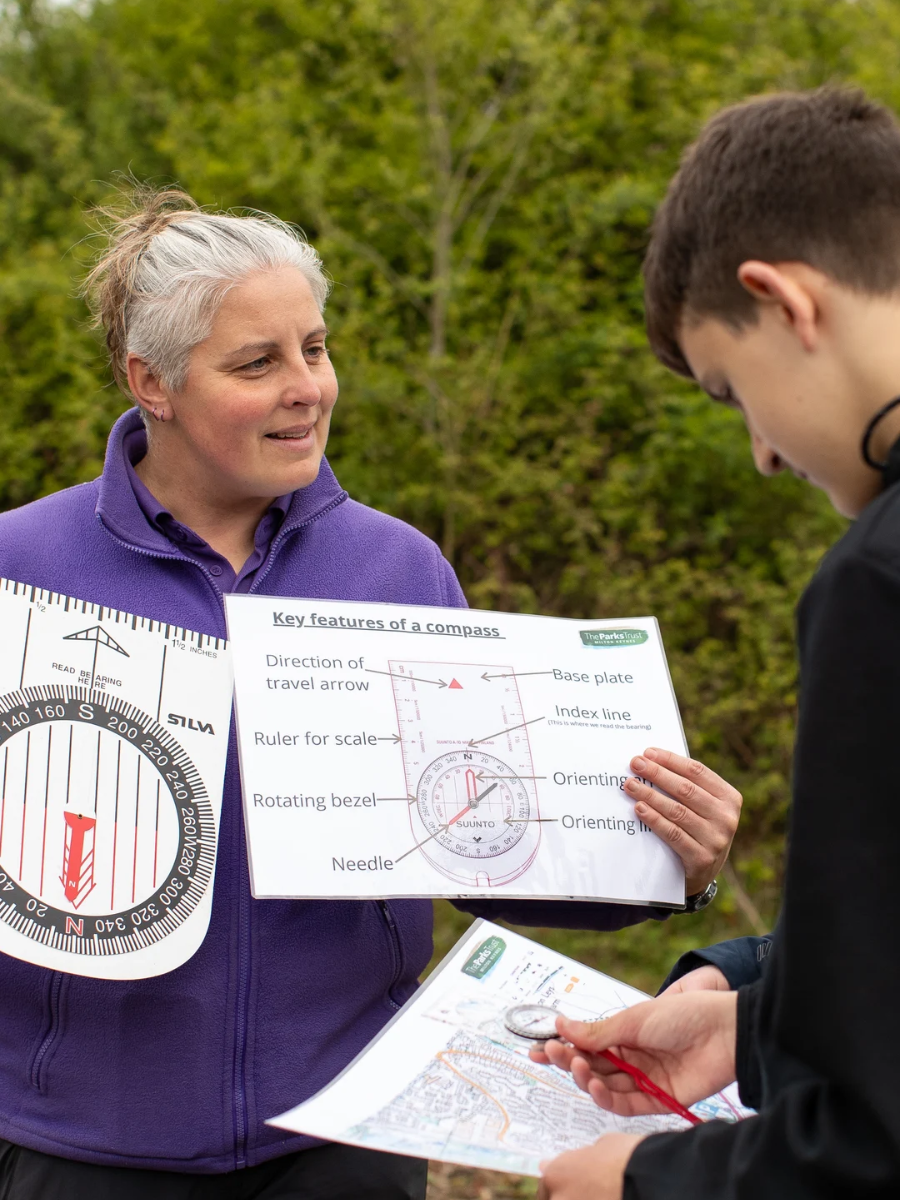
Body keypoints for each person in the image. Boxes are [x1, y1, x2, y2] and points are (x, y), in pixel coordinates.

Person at [0, 188, 741, 1199]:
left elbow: (480, 837)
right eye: (257, 363)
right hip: (80, 1145)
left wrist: (670, 861)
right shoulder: (22, 566)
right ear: (152, 382)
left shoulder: (397, 570)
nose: (307, 386)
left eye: (315, 347)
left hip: (346, 1138)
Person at [533, 85, 900, 1199]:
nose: (761, 452)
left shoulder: (877, 583)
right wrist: (751, 1024)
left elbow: (870, 1149)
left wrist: (640, 1182)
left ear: (783, 301)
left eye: (732, 390)